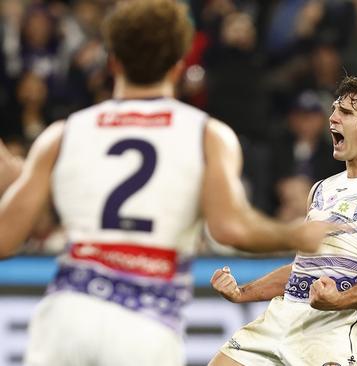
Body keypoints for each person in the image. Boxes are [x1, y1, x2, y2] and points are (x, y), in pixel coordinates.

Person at [0, 1, 335, 365]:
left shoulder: (64, 133)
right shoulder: (206, 135)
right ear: (179, 66)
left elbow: (4, 238)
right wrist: (293, 236)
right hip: (147, 321)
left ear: (113, 62)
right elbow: (230, 228)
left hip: (68, 314)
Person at [208, 75, 357, 366]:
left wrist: (337, 301)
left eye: (345, 112)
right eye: (334, 109)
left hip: (329, 333)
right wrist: (242, 293)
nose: (332, 118)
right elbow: (302, 268)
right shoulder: (322, 188)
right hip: (281, 318)